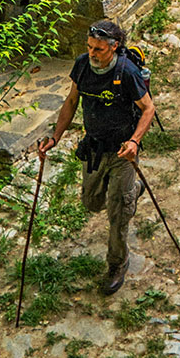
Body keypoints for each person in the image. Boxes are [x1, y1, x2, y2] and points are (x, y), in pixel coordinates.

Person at [38, 21, 155, 296]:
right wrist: (55, 137)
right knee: (91, 202)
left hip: (121, 151)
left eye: (99, 49)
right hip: (93, 148)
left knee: (117, 213)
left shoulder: (126, 72)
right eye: (90, 47)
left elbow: (148, 109)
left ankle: (117, 264)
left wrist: (135, 141)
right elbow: (71, 102)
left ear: (113, 47)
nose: (92, 53)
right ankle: (134, 191)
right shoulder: (81, 65)